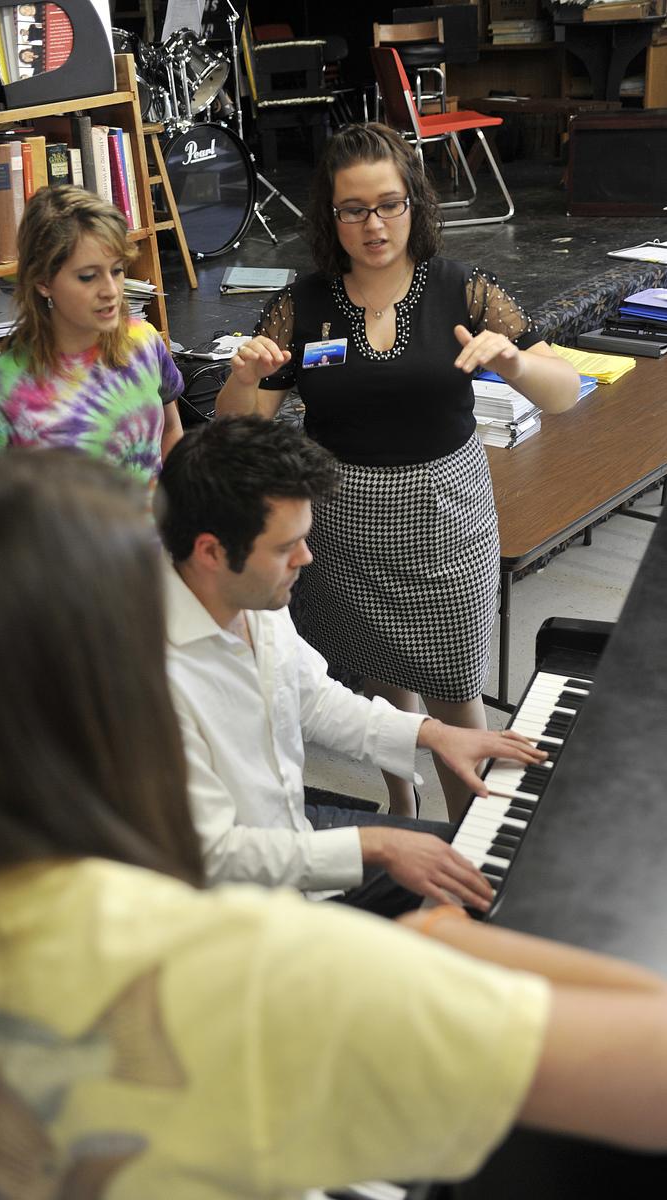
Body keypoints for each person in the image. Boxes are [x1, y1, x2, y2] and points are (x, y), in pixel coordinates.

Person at [0, 451, 667, 1197]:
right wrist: (442, 949)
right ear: (108, 681)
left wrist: (428, 734)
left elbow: (312, 698)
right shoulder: (222, 969)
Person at [216, 123, 581, 821]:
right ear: (330, 216)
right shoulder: (305, 304)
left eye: (389, 203)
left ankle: (473, 837)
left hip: (445, 520)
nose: (374, 224)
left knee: (452, 689)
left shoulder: (463, 290)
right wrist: (242, 380)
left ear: (415, 202)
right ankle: (400, 800)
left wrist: (514, 363)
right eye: (353, 209)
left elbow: (562, 393)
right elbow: (242, 425)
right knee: (380, 674)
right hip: (344, 522)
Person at [156, 416, 544, 915]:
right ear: (210, 551)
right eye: (284, 546)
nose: (307, 557)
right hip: (229, 911)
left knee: (484, 870)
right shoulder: (147, 675)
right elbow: (210, 856)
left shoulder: (249, 596)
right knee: (462, 905)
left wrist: (435, 734)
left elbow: (313, 699)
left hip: (290, 829)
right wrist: (377, 847)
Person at [0, 185, 183, 492]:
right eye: (88, 276)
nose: (111, 290)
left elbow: (170, 431)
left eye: (116, 270)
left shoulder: (144, 342)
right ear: (43, 281)